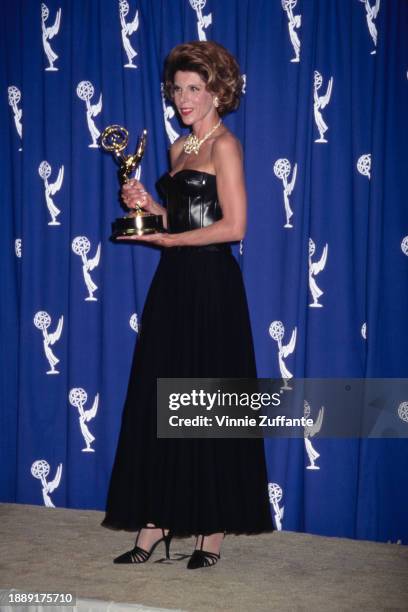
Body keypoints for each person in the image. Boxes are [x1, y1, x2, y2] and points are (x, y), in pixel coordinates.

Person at [101, 41, 273, 569]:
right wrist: (148, 207)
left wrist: (172, 242)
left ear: (218, 89)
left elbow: (234, 226)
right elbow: (178, 223)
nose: (183, 98)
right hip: (173, 284)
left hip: (213, 285)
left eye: (194, 88)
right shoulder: (177, 148)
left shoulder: (226, 146)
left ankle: (211, 529)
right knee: (159, 397)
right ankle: (155, 522)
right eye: (177, 89)